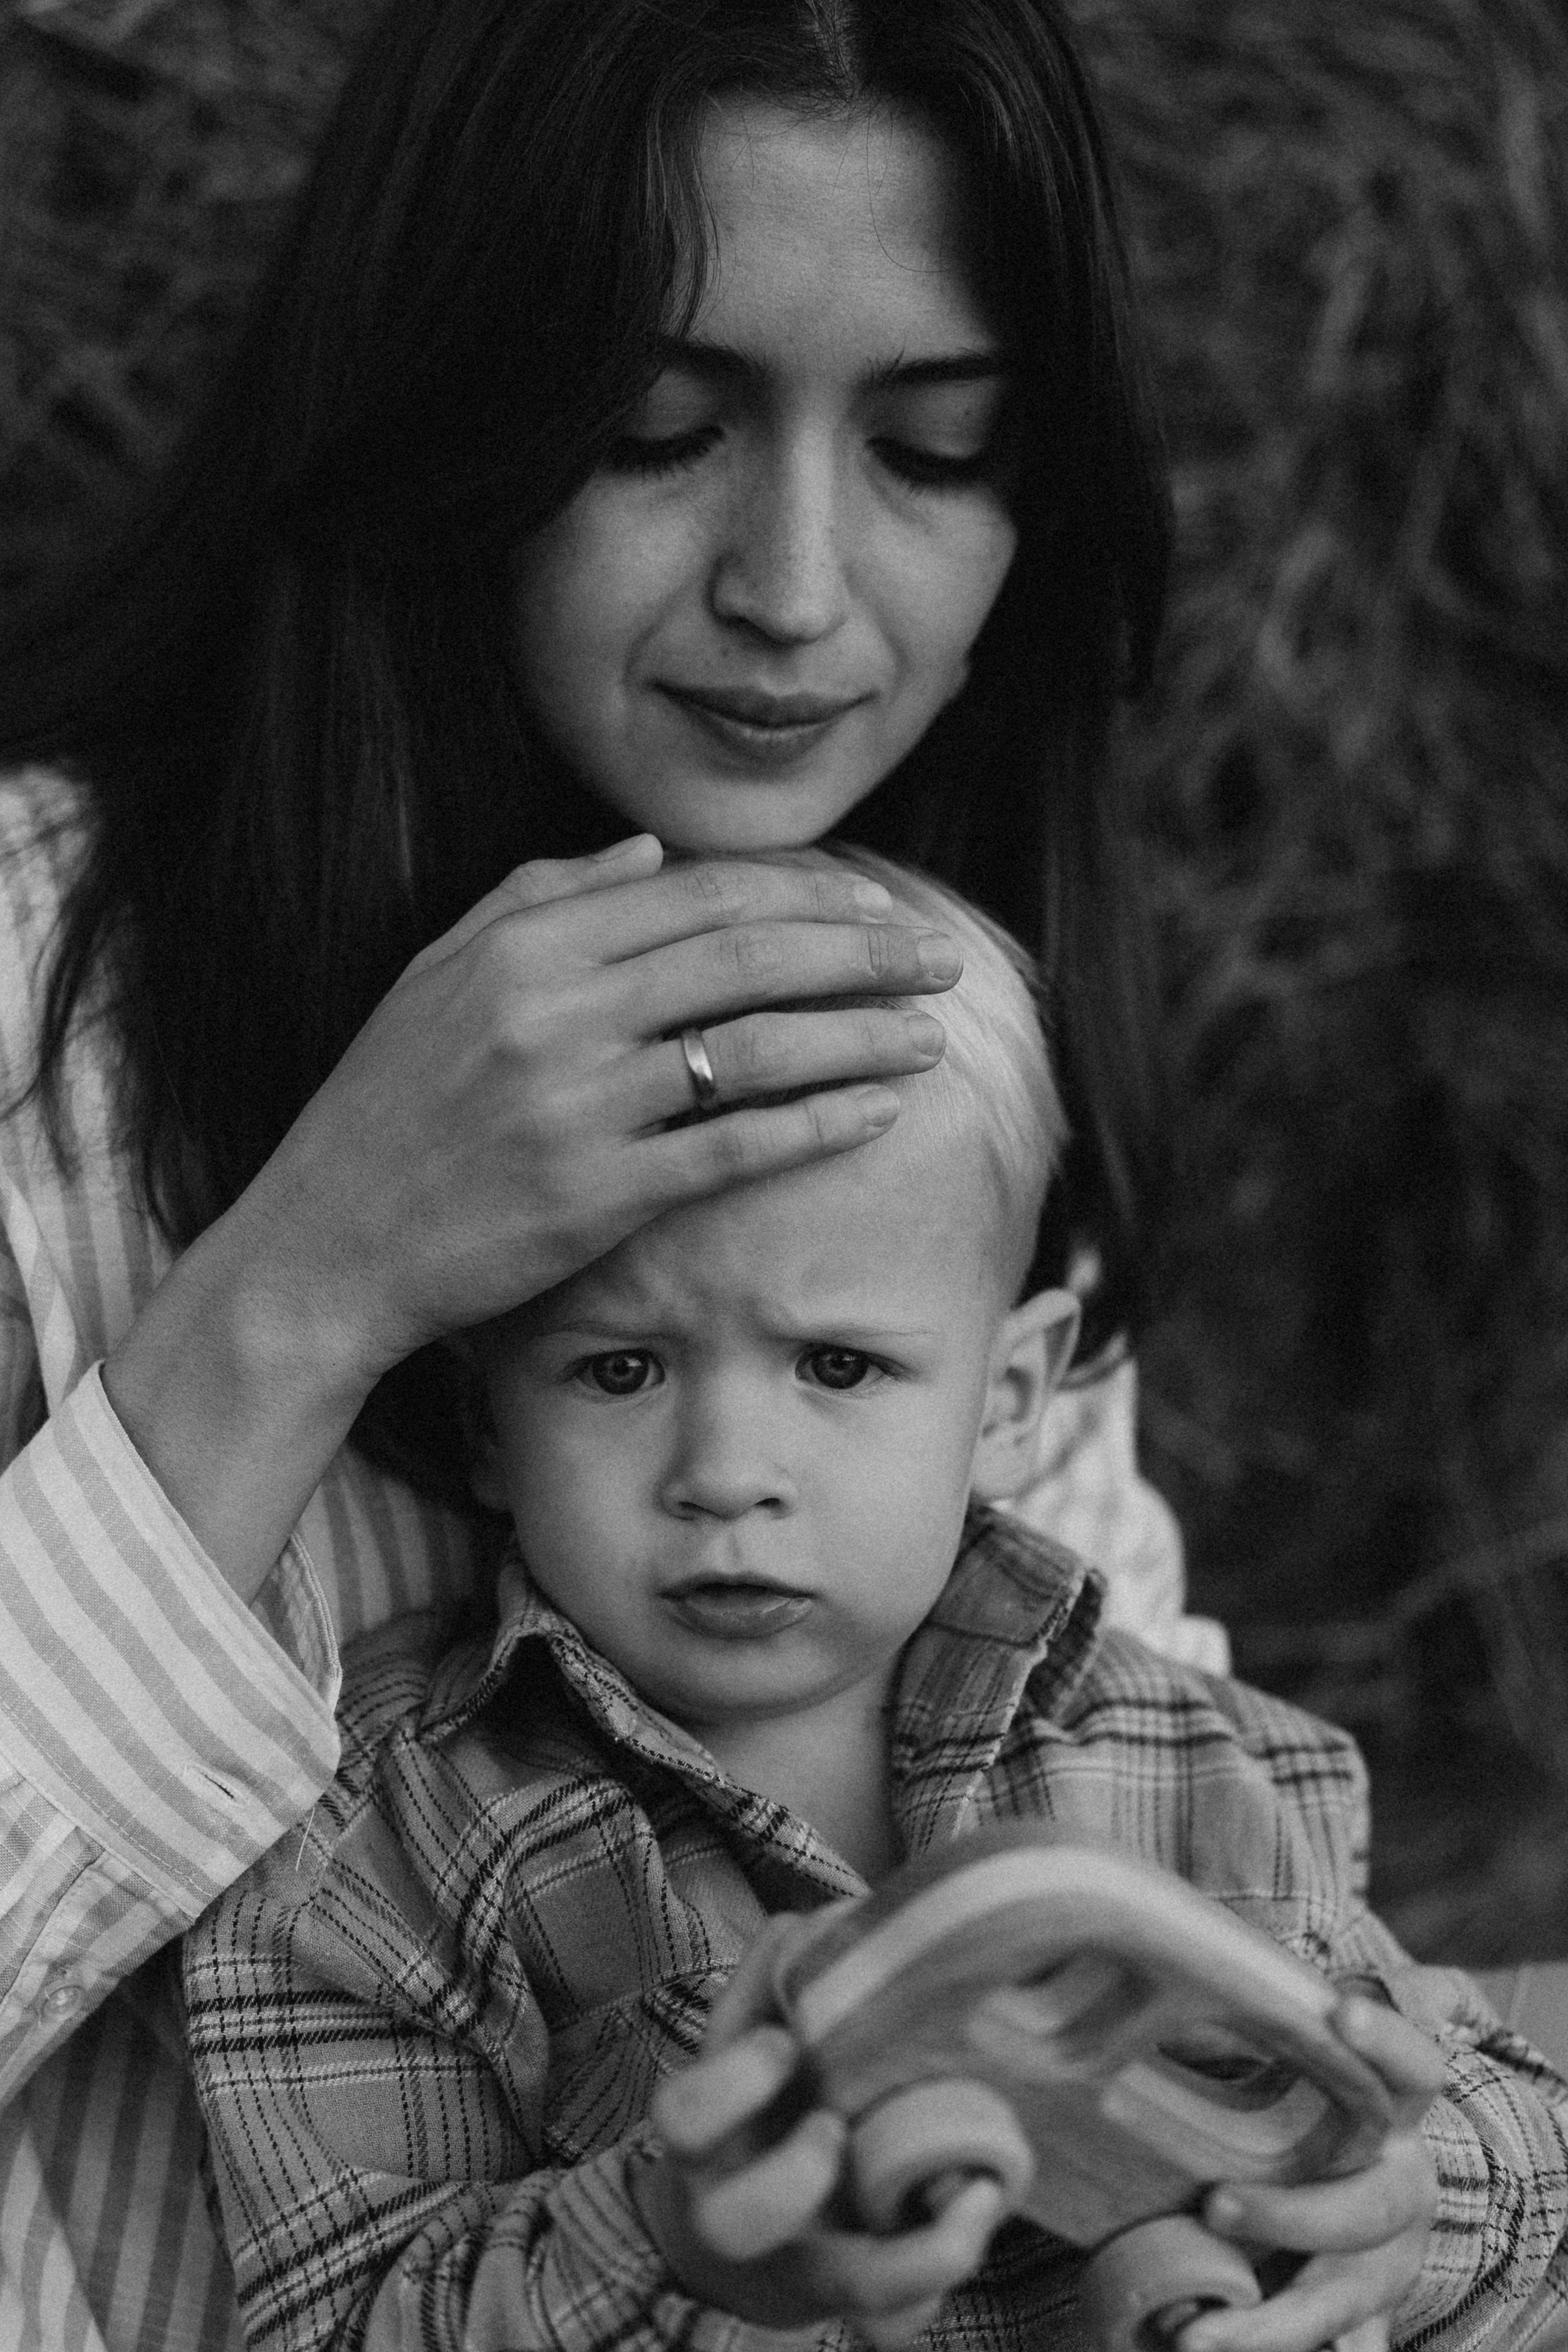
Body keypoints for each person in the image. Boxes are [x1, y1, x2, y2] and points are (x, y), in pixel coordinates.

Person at [0, 2, 1222, 2347]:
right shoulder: (31, 983)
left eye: (937, 449)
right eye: (653, 429)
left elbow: (1134, 1834)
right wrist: (311, 1279)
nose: (794, 587)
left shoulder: (949, 1033)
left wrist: (1379, 2181)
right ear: (441, 414)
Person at [184, 848, 1568, 2352]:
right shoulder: (373, 1851)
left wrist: (1403, 2208)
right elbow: (338, 2321)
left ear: (1008, 1398)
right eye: (617, 1368)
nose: (726, 1471)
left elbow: (1501, 2129)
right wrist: (673, 2245)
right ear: (482, 1428)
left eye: (837, 1365)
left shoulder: (1192, 1769)